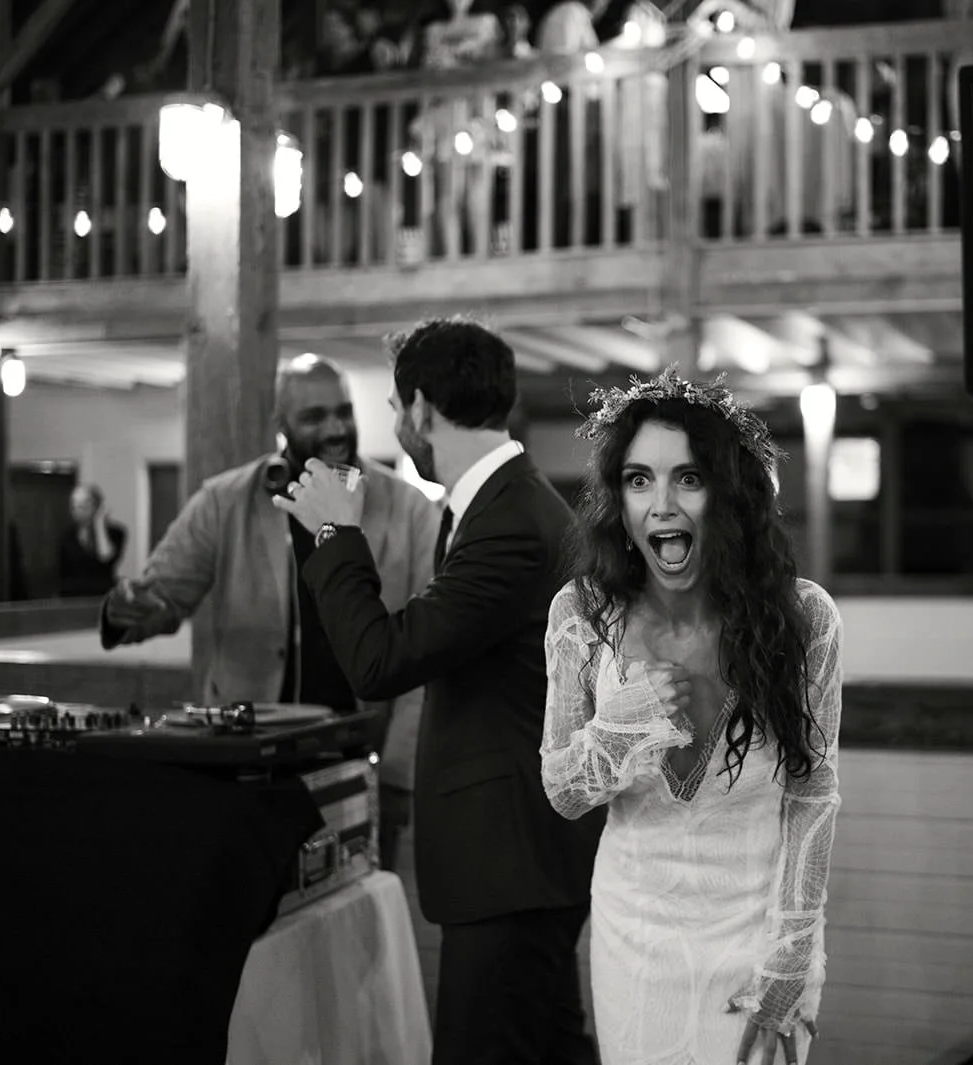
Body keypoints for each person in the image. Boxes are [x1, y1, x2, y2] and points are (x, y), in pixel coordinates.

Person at [275, 318, 601, 1065]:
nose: (395, 425)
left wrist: (333, 535)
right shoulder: (499, 505)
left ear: (421, 408)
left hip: (513, 860)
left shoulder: (512, 520)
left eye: (395, 408)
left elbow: (380, 660)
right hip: (521, 859)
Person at [538, 367, 843, 1065]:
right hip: (634, 937)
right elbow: (563, 791)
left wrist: (793, 952)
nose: (662, 504)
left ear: (729, 494)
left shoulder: (805, 620)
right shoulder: (583, 616)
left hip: (755, 933)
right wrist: (622, 725)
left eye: (689, 478)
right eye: (639, 479)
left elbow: (812, 792)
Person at [99, 354, 441, 872]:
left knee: (360, 917)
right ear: (280, 425)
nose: (336, 428)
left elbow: (423, 658)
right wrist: (128, 611)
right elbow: (162, 598)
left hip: (356, 756)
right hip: (251, 758)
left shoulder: (407, 508)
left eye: (344, 411)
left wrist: (396, 772)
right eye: (315, 416)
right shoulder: (225, 501)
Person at [58, 485, 127, 597]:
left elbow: (106, 558)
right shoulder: (67, 536)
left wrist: (99, 524)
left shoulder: (116, 533)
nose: (78, 511)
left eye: (84, 506)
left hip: (103, 596)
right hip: (74, 597)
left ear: (96, 507)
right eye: (75, 506)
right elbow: (63, 573)